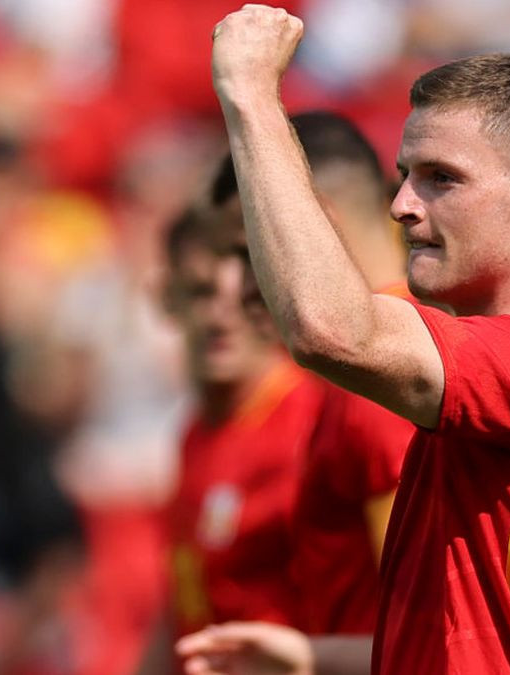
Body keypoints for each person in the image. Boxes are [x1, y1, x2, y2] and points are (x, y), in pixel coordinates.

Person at [178, 6, 510, 674]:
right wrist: (313, 655)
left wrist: (252, 96)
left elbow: (330, 329)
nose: (403, 203)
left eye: (442, 178)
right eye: (405, 175)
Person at [213, 110, 416, 641]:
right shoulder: (386, 359)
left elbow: (425, 627)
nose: (232, 287)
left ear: (314, 222)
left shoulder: (382, 382)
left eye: (247, 247)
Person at [137, 208, 324, 673]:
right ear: (164, 298)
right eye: (202, 293)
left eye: (247, 295)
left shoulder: (313, 423)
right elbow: (183, 600)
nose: (223, 318)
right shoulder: (196, 433)